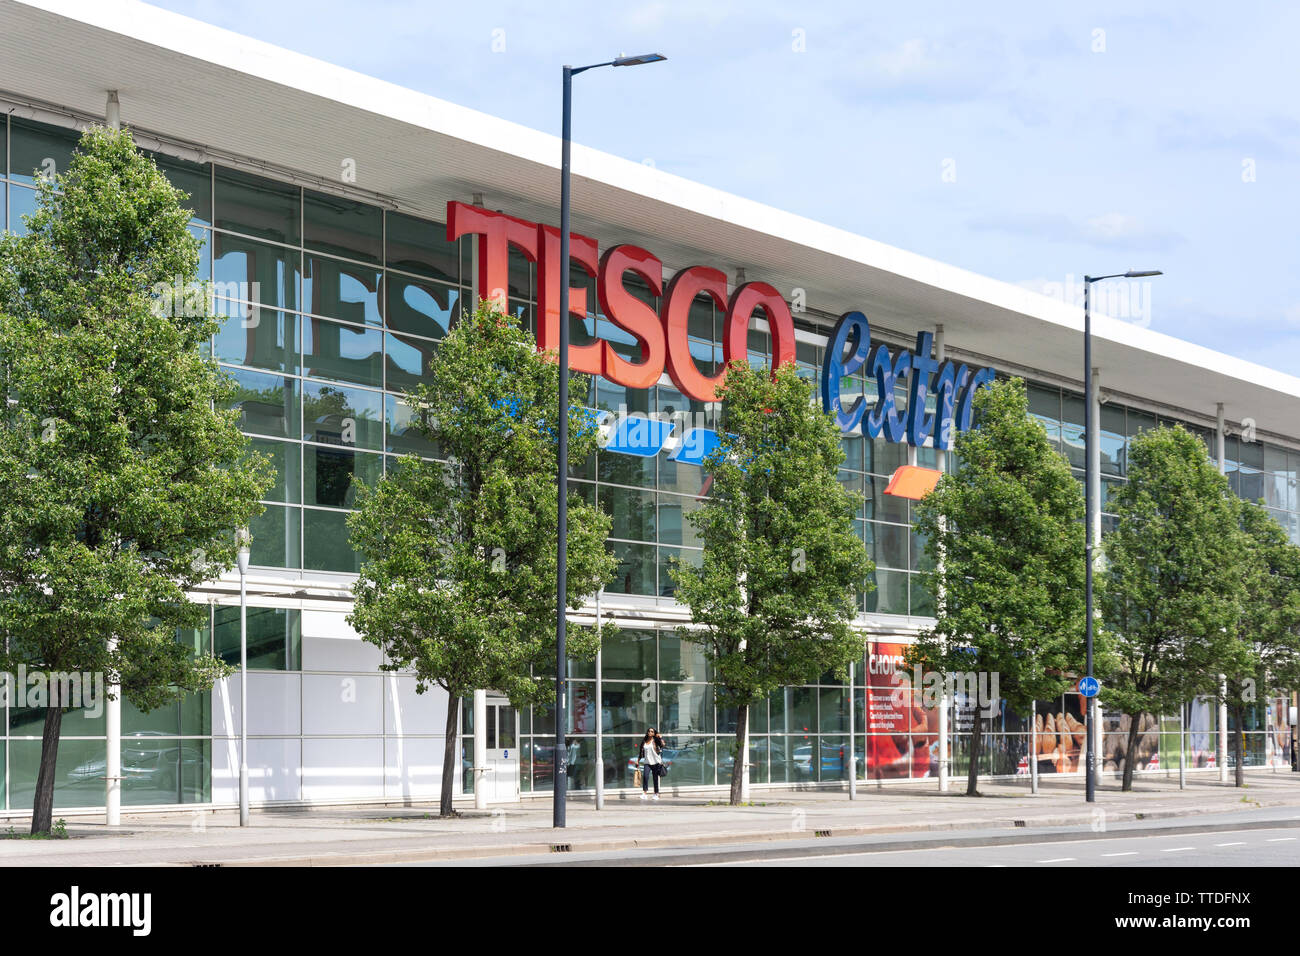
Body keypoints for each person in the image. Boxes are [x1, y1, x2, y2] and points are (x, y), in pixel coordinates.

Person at [639, 728, 665, 800]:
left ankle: (656, 794)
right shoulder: (644, 741)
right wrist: (638, 761)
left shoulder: (655, 740)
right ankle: (644, 793)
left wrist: (660, 737)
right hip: (647, 762)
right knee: (645, 777)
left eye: (652, 731)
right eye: (649, 731)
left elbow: (662, 745)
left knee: (655, 778)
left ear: (654, 733)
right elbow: (641, 751)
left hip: (655, 762)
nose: (650, 732)